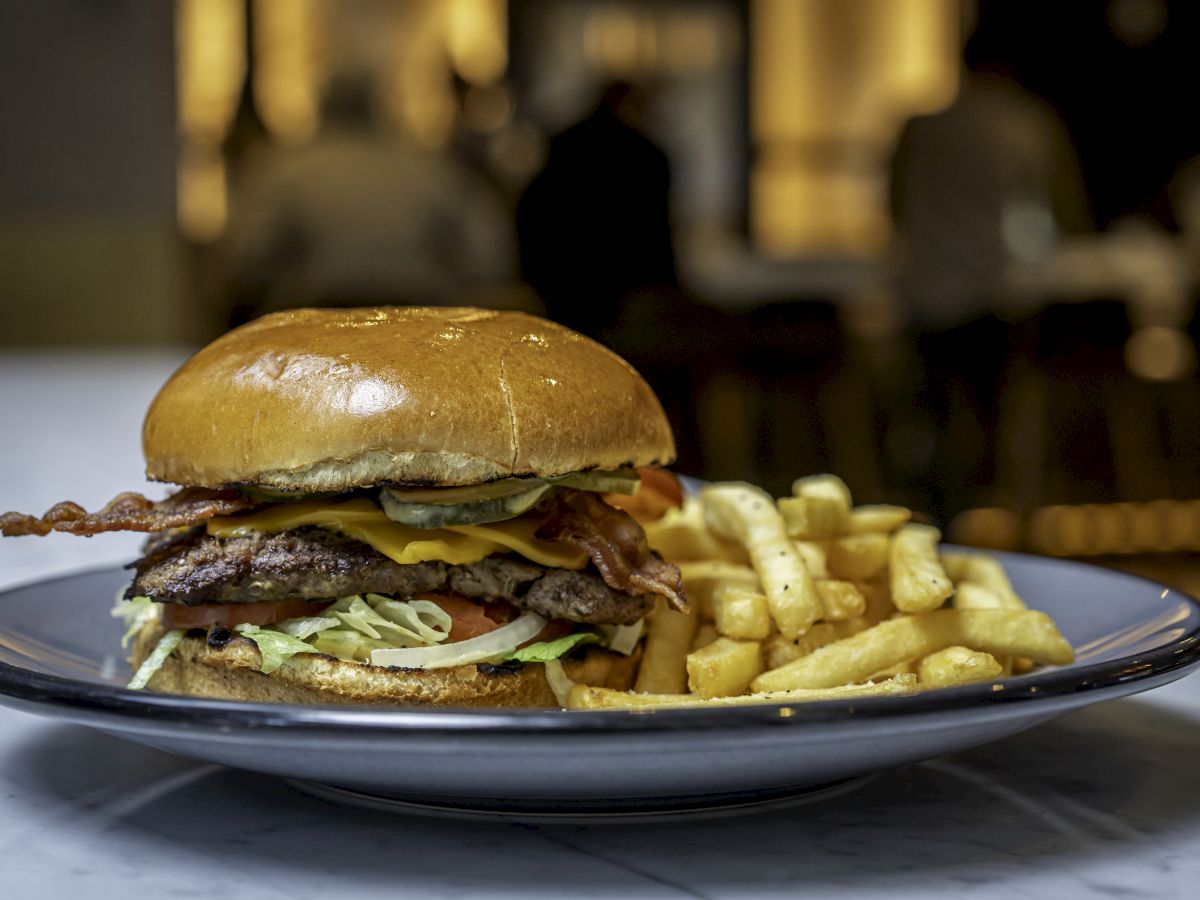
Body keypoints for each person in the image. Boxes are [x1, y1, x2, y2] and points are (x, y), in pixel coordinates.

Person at [887, 37, 1091, 523]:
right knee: (990, 422)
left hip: (923, 295)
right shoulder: (1024, 123)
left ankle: (939, 520)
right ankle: (991, 518)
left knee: (929, 418)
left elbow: (895, 207)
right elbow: (1064, 209)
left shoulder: (922, 127)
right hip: (989, 296)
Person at [224, 71, 517, 324]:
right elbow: (487, 255)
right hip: (422, 315)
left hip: (313, 321)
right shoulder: (428, 167)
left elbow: (249, 256)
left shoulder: (281, 168)